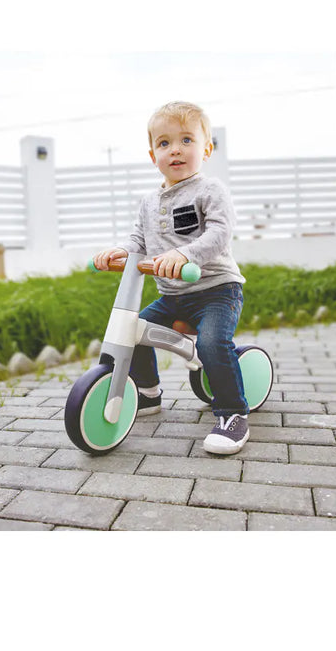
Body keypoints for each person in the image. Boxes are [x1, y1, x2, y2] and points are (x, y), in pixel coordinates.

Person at [93, 101, 250, 454]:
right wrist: (120, 252)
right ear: (153, 155)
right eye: (164, 143)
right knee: (133, 329)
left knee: (212, 344)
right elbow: (138, 240)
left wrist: (184, 254)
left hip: (216, 291)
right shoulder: (148, 202)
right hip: (173, 295)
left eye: (186, 140)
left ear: (206, 149)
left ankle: (232, 413)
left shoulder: (210, 190)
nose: (175, 149)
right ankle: (147, 393)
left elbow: (219, 235)